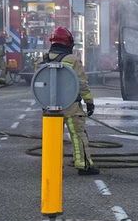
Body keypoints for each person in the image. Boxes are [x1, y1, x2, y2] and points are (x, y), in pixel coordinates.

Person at [43, 26, 100, 175]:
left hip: (50, 106)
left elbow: (41, 84)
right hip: (71, 104)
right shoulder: (72, 60)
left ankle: (54, 166)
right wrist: (89, 101)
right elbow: (81, 83)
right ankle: (83, 164)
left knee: (53, 136)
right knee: (77, 134)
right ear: (68, 43)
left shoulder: (43, 59)